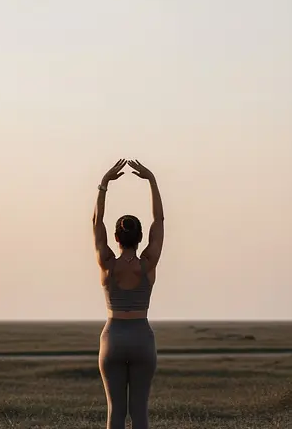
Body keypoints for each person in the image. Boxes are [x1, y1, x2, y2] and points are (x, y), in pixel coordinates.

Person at [92, 158, 165, 429]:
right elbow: (160, 220)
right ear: (140, 237)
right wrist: (152, 181)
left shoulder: (107, 264)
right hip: (141, 338)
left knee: (115, 412)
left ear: (116, 237)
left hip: (113, 338)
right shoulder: (148, 264)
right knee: (140, 413)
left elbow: (95, 221)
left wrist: (104, 184)